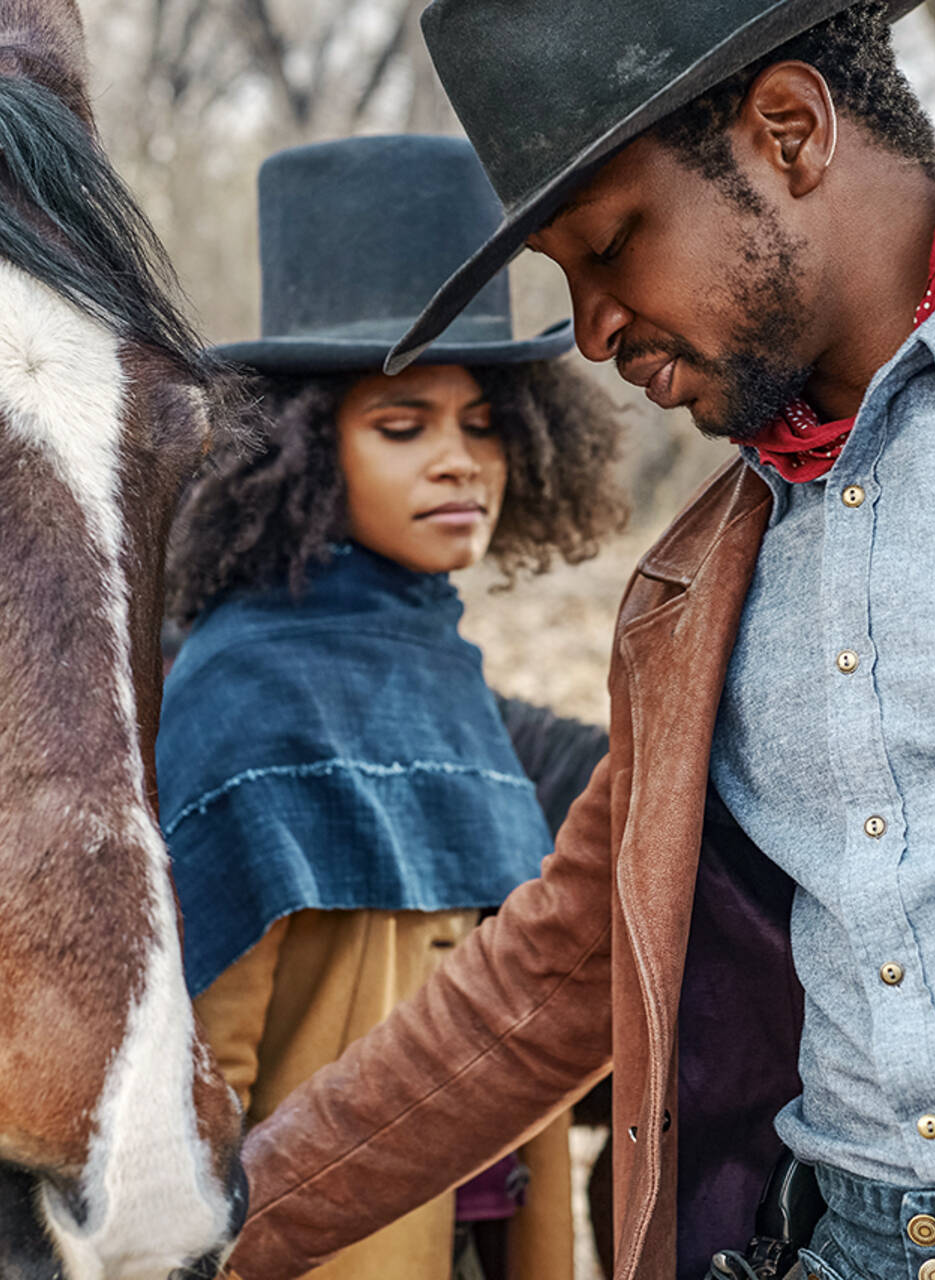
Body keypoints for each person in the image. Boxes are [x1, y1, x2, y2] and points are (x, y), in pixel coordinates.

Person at [224, 5, 935, 1280]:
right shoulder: (693, 588)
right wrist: (203, 1229)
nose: (594, 328)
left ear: (788, 131)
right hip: (834, 1242)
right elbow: (558, 966)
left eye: (612, 244)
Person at [157, 134, 623, 1280]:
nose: (459, 460)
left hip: (485, 1226)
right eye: (402, 425)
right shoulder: (244, 677)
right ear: (307, 450)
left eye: (480, 421)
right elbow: (204, 1051)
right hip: (320, 1245)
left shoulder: (439, 660)